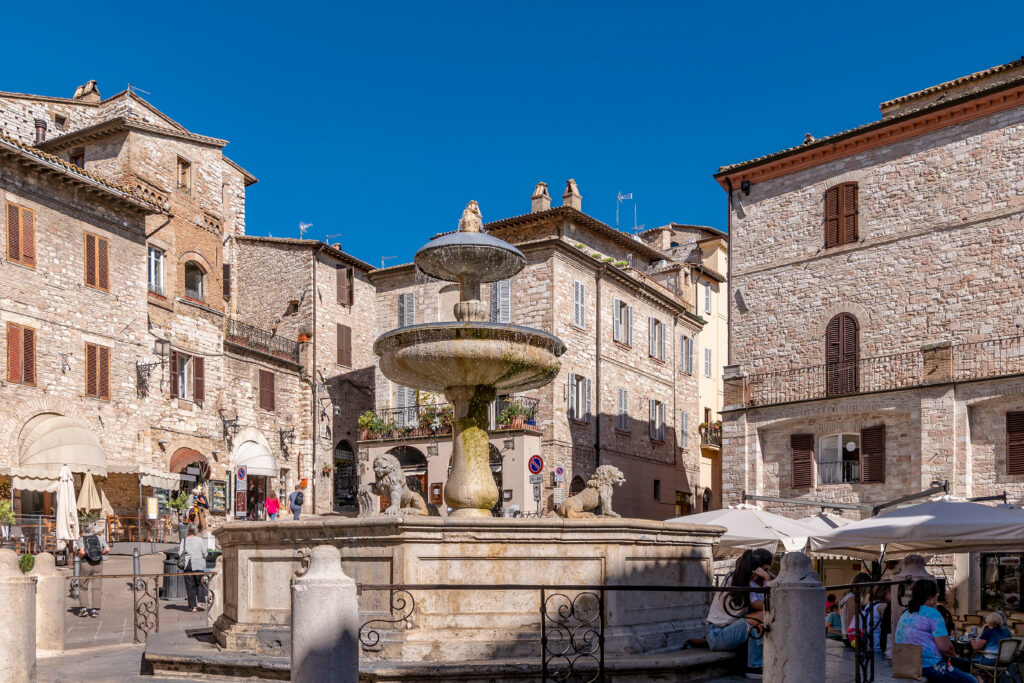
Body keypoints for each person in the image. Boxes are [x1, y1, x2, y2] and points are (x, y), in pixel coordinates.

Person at [706, 548, 772, 680]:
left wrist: (768, 576)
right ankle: (754, 666)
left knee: (760, 619)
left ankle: (759, 661)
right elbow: (768, 606)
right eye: (763, 570)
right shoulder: (735, 580)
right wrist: (767, 578)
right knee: (762, 615)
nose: (764, 574)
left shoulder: (747, 580)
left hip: (727, 632)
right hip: (717, 635)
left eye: (767, 570)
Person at [894, 579, 978, 683]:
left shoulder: (906, 613)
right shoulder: (933, 614)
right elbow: (945, 648)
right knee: (971, 680)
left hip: (905, 664)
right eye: (937, 594)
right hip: (928, 665)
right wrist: (954, 655)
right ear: (931, 597)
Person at [75, 523, 110, 618]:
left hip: (86, 563)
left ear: (84, 531)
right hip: (98, 563)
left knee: (83, 586)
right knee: (97, 587)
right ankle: (95, 610)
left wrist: (82, 555)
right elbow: (107, 549)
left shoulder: (81, 539)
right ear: (93, 530)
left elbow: (82, 552)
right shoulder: (98, 538)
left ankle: (84, 609)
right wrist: (99, 554)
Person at [179, 523, 208, 612]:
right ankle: (200, 602)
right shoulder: (199, 540)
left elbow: (180, 553)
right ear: (196, 530)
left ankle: (193, 606)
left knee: (190, 586)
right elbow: (205, 553)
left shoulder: (184, 540)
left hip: (188, 565)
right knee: (200, 583)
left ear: (187, 530)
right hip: (199, 564)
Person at [840, 572, 873, 647]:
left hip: (851, 636)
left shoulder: (852, 596)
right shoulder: (851, 598)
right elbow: (851, 621)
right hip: (851, 638)